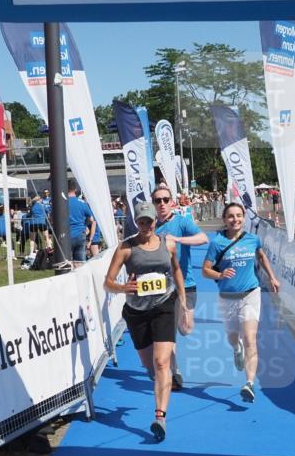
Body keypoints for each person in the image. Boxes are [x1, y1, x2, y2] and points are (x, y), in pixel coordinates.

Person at [104, 201, 187, 442]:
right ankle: (157, 377)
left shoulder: (168, 243)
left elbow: (176, 270)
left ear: (155, 221)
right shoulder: (126, 248)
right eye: (141, 221)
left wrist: (182, 300)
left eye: (149, 221)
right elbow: (106, 283)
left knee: (162, 362)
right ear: (136, 222)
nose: (145, 225)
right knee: (150, 366)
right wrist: (123, 287)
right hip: (136, 311)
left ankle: (160, 416)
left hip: (164, 306)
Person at [202, 203, 280, 403]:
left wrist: (272, 277)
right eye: (230, 216)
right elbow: (205, 270)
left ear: (244, 217)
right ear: (224, 219)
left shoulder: (252, 239)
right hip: (227, 297)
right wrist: (220, 274)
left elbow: (262, 257)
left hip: (251, 293)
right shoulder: (217, 243)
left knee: (250, 338)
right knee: (233, 337)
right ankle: (236, 349)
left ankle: (249, 383)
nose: (235, 219)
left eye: (238, 215)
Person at [152, 185, 209, 390]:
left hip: (187, 284)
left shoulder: (182, 222)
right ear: (153, 204)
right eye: (158, 201)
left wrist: (177, 239)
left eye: (165, 200)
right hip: (163, 289)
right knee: (169, 336)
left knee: (186, 329)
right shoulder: (151, 227)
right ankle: (175, 375)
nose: (162, 204)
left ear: (172, 202)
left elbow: (203, 238)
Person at [66, 180, 96, 264]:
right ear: (75, 189)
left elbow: (52, 219)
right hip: (80, 235)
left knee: (66, 264)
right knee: (80, 264)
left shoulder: (62, 202)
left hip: (66, 236)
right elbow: (92, 220)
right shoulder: (82, 203)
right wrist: (90, 238)